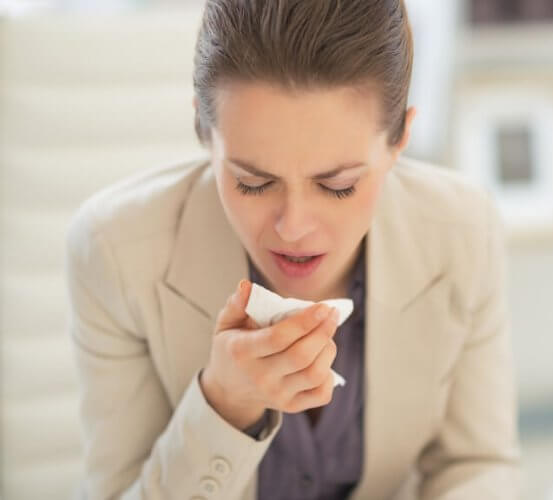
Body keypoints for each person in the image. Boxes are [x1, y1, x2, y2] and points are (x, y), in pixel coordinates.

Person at [65, 1, 520, 499]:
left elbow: (476, 467)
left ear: (400, 139)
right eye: (253, 182)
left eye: (339, 185)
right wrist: (224, 406)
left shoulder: (462, 231)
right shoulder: (114, 251)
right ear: (203, 129)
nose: (294, 227)